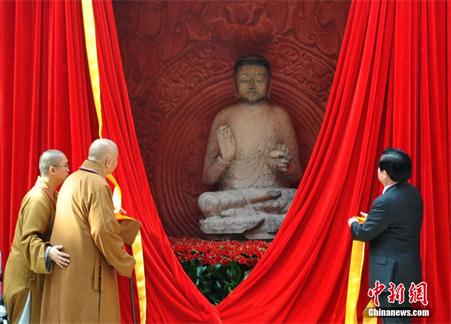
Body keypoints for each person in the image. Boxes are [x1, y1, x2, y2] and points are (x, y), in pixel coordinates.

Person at [198, 55, 302, 239]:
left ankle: (240, 217)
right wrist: (224, 160)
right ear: (235, 85)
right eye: (245, 80)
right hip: (234, 196)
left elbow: (297, 175)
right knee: (206, 201)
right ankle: (256, 218)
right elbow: (208, 177)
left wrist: (281, 167)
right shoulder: (224, 116)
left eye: (259, 79)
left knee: (296, 199)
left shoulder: (279, 116)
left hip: (271, 195)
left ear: (269, 85)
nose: (252, 85)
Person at [40, 139, 139, 323]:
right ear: (109, 161)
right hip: (87, 271)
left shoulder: (71, 179)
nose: (116, 164)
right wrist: (125, 261)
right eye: (116, 160)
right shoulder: (98, 185)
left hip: (66, 265)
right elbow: (103, 231)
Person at [348, 148, 423, 323]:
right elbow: (398, 223)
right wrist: (374, 219)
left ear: (385, 173)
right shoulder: (413, 194)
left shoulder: (384, 201)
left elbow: (364, 233)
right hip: (408, 270)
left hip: (390, 274)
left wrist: (353, 224)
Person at [4, 149, 71, 323]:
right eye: (66, 165)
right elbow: (28, 239)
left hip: (34, 274)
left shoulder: (51, 195)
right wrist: (49, 253)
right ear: (52, 170)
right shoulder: (38, 199)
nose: (69, 170)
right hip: (26, 279)